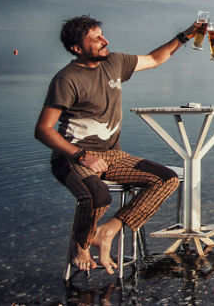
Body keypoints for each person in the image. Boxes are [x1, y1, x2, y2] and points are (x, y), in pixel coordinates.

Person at [35, 15, 200, 275]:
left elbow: (156, 58)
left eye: (102, 34)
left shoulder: (114, 62)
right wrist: (82, 157)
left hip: (113, 155)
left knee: (167, 180)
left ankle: (107, 232)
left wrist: (185, 36)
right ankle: (80, 246)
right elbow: (43, 130)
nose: (105, 41)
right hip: (72, 156)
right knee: (98, 196)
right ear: (77, 48)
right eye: (96, 39)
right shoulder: (66, 80)